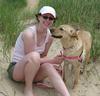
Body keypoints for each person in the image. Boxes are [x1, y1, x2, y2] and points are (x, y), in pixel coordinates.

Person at [7, 6, 70, 96]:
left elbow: (43, 58)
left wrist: (53, 63)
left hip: (32, 72)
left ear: (53, 20)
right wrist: (52, 60)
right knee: (35, 55)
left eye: (51, 18)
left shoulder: (50, 37)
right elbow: (32, 58)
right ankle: (28, 89)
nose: (48, 20)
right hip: (17, 71)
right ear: (39, 17)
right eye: (45, 17)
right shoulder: (29, 33)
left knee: (48, 66)